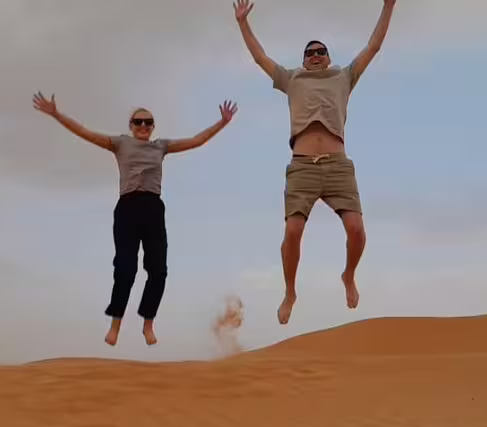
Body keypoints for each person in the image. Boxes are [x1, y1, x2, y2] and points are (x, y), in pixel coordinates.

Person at [233, 0, 396, 324]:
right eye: (310, 52)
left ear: (328, 57)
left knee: (357, 231)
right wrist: (242, 23)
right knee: (293, 231)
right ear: (304, 59)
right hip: (303, 165)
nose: (316, 55)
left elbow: (374, 46)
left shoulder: (344, 76)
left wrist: (388, 6)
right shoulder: (292, 78)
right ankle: (290, 292)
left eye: (321, 51)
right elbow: (259, 57)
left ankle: (348, 276)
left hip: (337, 164)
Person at [32, 92, 238, 345]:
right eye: (138, 122)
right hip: (128, 207)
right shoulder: (120, 144)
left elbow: (196, 140)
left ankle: (148, 324)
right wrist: (56, 114)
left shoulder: (160, 146)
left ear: (153, 127)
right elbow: (85, 133)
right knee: (125, 269)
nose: (143, 126)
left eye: (147, 122)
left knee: (158, 270)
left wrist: (222, 123)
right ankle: (115, 324)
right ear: (130, 126)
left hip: (153, 208)